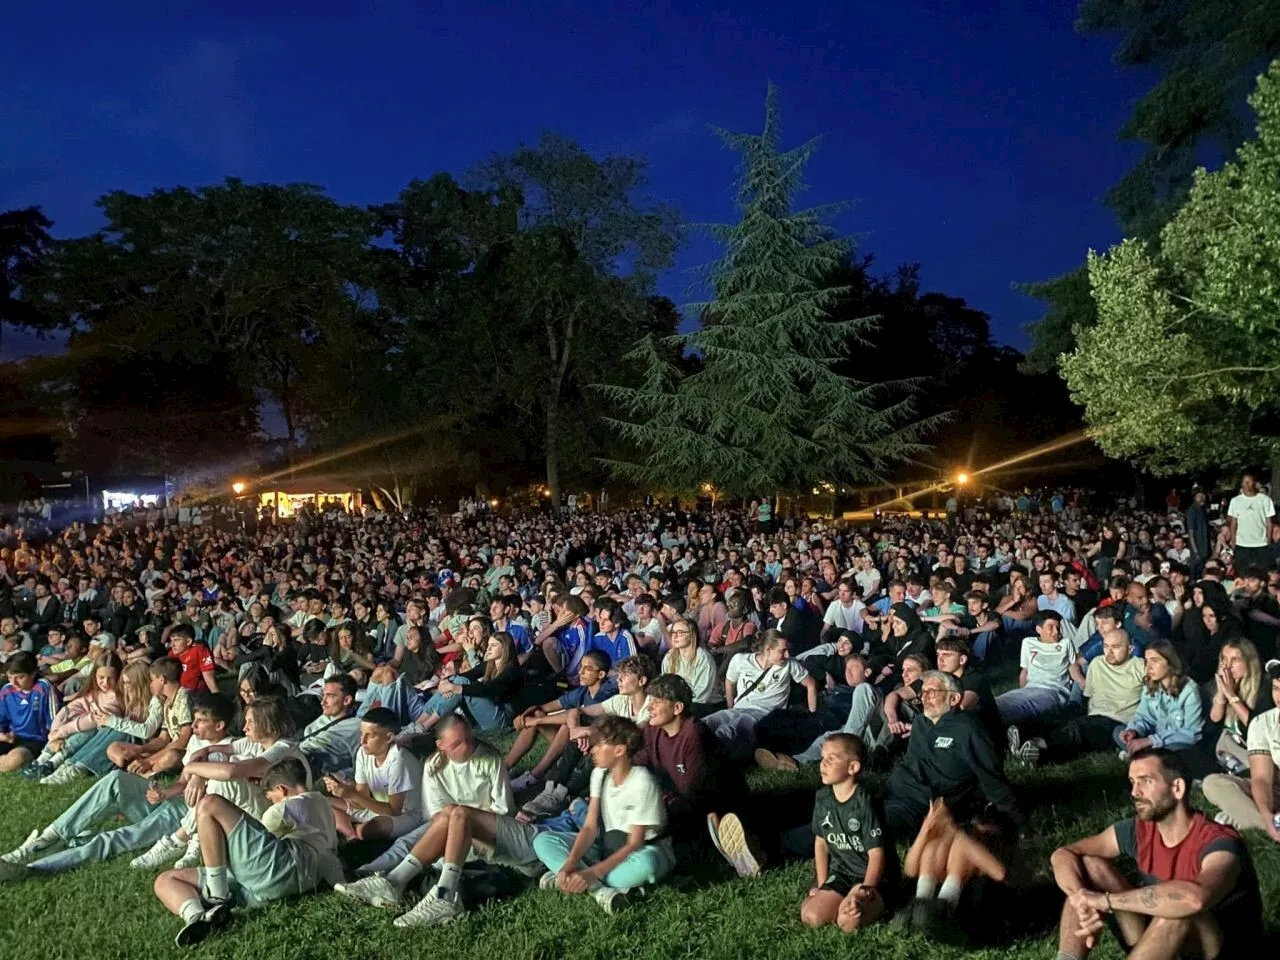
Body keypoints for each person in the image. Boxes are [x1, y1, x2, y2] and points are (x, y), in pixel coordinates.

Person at [1051, 748, 1263, 960]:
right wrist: (1082, 899)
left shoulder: (1219, 842)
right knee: (1090, 866)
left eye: (1145, 781)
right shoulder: (1139, 831)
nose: (1135, 792)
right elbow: (1064, 854)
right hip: (1161, 942)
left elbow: (1195, 900)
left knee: (1177, 910)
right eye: (1133, 782)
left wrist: (1106, 901)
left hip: (1218, 950)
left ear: (1177, 788)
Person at [152, 757, 343, 947]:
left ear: (281, 790)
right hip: (286, 881)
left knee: (209, 804)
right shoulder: (323, 803)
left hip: (282, 868)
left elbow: (262, 832)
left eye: (271, 798)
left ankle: (217, 897)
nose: (271, 803)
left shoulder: (284, 808)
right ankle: (199, 918)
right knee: (165, 880)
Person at [531, 715, 674, 913]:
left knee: (647, 864)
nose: (592, 750)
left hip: (642, 851)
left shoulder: (642, 781)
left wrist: (593, 872)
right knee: (543, 840)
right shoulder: (599, 774)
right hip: (607, 847)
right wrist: (570, 863)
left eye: (599, 745)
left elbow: (635, 843)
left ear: (620, 750)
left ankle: (577, 880)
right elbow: (589, 827)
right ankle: (601, 891)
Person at [884, 671, 1022, 842]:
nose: (925, 698)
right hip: (896, 791)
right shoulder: (921, 723)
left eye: (932, 692)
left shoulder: (967, 728)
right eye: (923, 693)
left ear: (954, 699)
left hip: (923, 804)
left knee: (876, 829)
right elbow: (912, 762)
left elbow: (990, 775)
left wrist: (1015, 821)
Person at [799, 734, 895, 933]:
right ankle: (835, 898)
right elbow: (821, 843)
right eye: (822, 757)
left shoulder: (865, 803)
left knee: (848, 923)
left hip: (871, 878)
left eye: (831, 759)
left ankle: (859, 902)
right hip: (841, 874)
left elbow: (876, 854)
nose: (822, 764)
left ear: (853, 767)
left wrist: (864, 892)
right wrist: (823, 883)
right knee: (811, 917)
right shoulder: (823, 798)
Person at [1011, 626, 1145, 766]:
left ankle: (1039, 747)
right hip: (1094, 713)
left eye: (1115, 647)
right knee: (1060, 715)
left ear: (1130, 649)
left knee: (1078, 728)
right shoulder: (1097, 663)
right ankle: (1021, 733)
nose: (1109, 652)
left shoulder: (1140, 667)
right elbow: (1089, 694)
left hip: (1118, 722)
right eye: (1106, 646)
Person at [896, 799, 1016, 943]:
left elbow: (1000, 873)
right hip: (930, 898)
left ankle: (939, 913)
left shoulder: (968, 842)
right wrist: (925, 830)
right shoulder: (940, 842)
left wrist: (955, 832)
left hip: (967, 903)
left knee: (962, 847)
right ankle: (921, 905)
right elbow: (910, 871)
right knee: (933, 848)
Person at [506, 650, 615, 792]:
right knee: (538, 714)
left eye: (587, 669)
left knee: (565, 725)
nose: (580, 672)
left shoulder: (605, 695)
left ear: (600, 675)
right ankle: (503, 768)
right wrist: (528, 714)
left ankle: (534, 775)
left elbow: (573, 715)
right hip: (573, 742)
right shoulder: (583, 691)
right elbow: (548, 707)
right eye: (580, 666)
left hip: (588, 748)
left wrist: (537, 721)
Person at [703, 630, 817, 761]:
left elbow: (811, 684)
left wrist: (812, 716)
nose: (787, 655)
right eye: (782, 651)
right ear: (768, 650)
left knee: (730, 730)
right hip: (738, 708)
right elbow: (729, 681)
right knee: (707, 722)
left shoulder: (789, 665)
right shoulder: (741, 660)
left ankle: (709, 759)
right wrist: (730, 706)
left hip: (764, 713)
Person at [1203, 662, 1280, 836]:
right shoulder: (1262, 723)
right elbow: (1262, 779)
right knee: (1213, 784)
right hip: (1275, 790)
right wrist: (1267, 817)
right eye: (1276, 688)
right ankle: (1265, 827)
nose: (1279, 697)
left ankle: (1241, 818)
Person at [324, 707, 423, 842]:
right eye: (361, 734)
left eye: (369, 736)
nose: (362, 741)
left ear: (389, 738)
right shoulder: (363, 753)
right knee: (323, 803)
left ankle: (352, 830)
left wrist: (352, 794)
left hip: (405, 815)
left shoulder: (399, 761)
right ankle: (352, 835)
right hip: (376, 806)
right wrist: (345, 791)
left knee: (370, 830)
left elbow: (393, 811)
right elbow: (361, 800)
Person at [1117, 641, 1204, 760]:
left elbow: (1192, 733)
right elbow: (1144, 716)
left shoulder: (1189, 691)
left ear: (1170, 663)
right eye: (1147, 661)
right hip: (1155, 737)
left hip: (1176, 742)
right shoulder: (1150, 684)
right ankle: (1144, 752)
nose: (1149, 666)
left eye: (1155, 660)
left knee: (1176, 750)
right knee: (1118, 731)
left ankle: (1144, 754)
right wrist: (1134, 731)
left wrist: (1150, 741)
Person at [995, 610, 1084, 726]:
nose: (1056, 632)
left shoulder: (1065, 643)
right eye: (1051, 627)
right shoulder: (1028, 643)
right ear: (1039, 629)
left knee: (1023, 708)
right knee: (998, 702)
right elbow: (1025, 671)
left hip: (1053, 691)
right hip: (1031, 687)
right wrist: (1023, 690)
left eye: (1058, 627)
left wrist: (1081, 682)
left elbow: (1073, 666)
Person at [0, 652, 58, 772]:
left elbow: (55, 722)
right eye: (10, 677)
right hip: (12, 738)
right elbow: (2, 721)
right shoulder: (6, 690)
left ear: (32, 674)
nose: (14, 682)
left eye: (20, 677)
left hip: (36, 741)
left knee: (15, 759)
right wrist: (2, 735)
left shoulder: (43, 687)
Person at [1228, 470, 1275, 574]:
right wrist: (1233, 540)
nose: (1247, 484)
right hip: (1242, 543)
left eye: (1250, 481)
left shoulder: (1265, 500)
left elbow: (1269, 522)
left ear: (1255, 483)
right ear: (1241, 484)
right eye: (1245, 482)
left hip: (1261, 543)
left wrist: (1269, 539)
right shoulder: (1235, 501)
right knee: (1242, 572)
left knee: (1263, 572)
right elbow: (1233, 523)